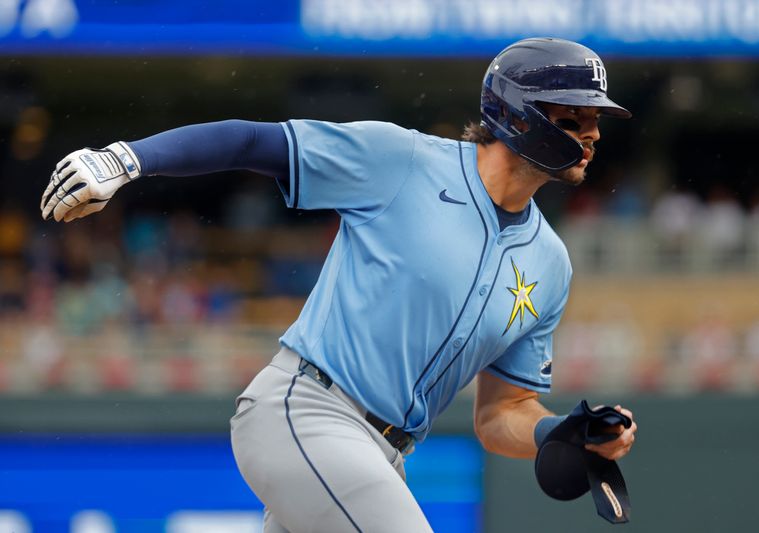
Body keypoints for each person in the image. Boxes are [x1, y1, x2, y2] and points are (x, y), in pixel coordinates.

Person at [41, 37, 638, 532]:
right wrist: (126, 159)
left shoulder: (551, 263)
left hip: (383, 455)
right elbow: (255, 141)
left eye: (594, 120)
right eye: (573, 117)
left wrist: (554, 431)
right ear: (516, 114)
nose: (592, 133)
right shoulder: (401, 160)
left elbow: (498, 415)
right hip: (306, 411)